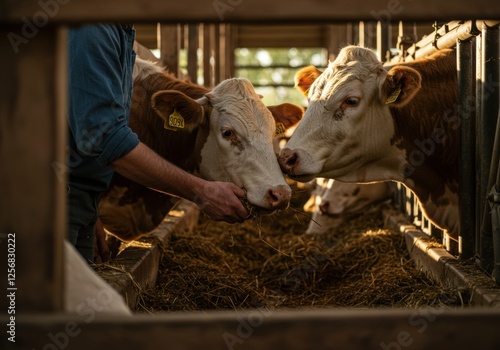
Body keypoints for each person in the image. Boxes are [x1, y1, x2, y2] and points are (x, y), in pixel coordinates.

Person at [67, 23, 249, 262]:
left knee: (70, 295)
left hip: (79, 200)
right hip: (52, 199)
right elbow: (104, 136)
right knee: (30, 296)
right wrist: (201, 191)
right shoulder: (95, 25)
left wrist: (91, 211)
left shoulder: (119, 30)